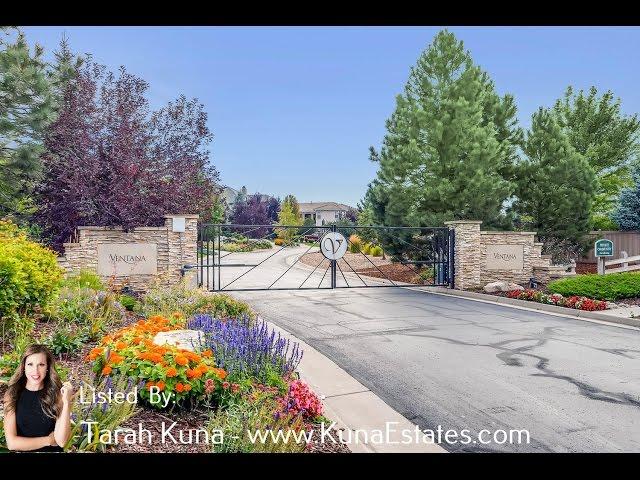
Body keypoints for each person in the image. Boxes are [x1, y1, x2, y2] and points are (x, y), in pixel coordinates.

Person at [2, 344, 73, 452]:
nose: (35, 371)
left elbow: (61, 441)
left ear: (48, 368)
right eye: (30, 364)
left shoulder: (57, 394)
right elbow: (12, 444)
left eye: (41, 364)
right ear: (23, 367)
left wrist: (67, 402)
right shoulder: (12, 395)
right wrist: (48, 440)